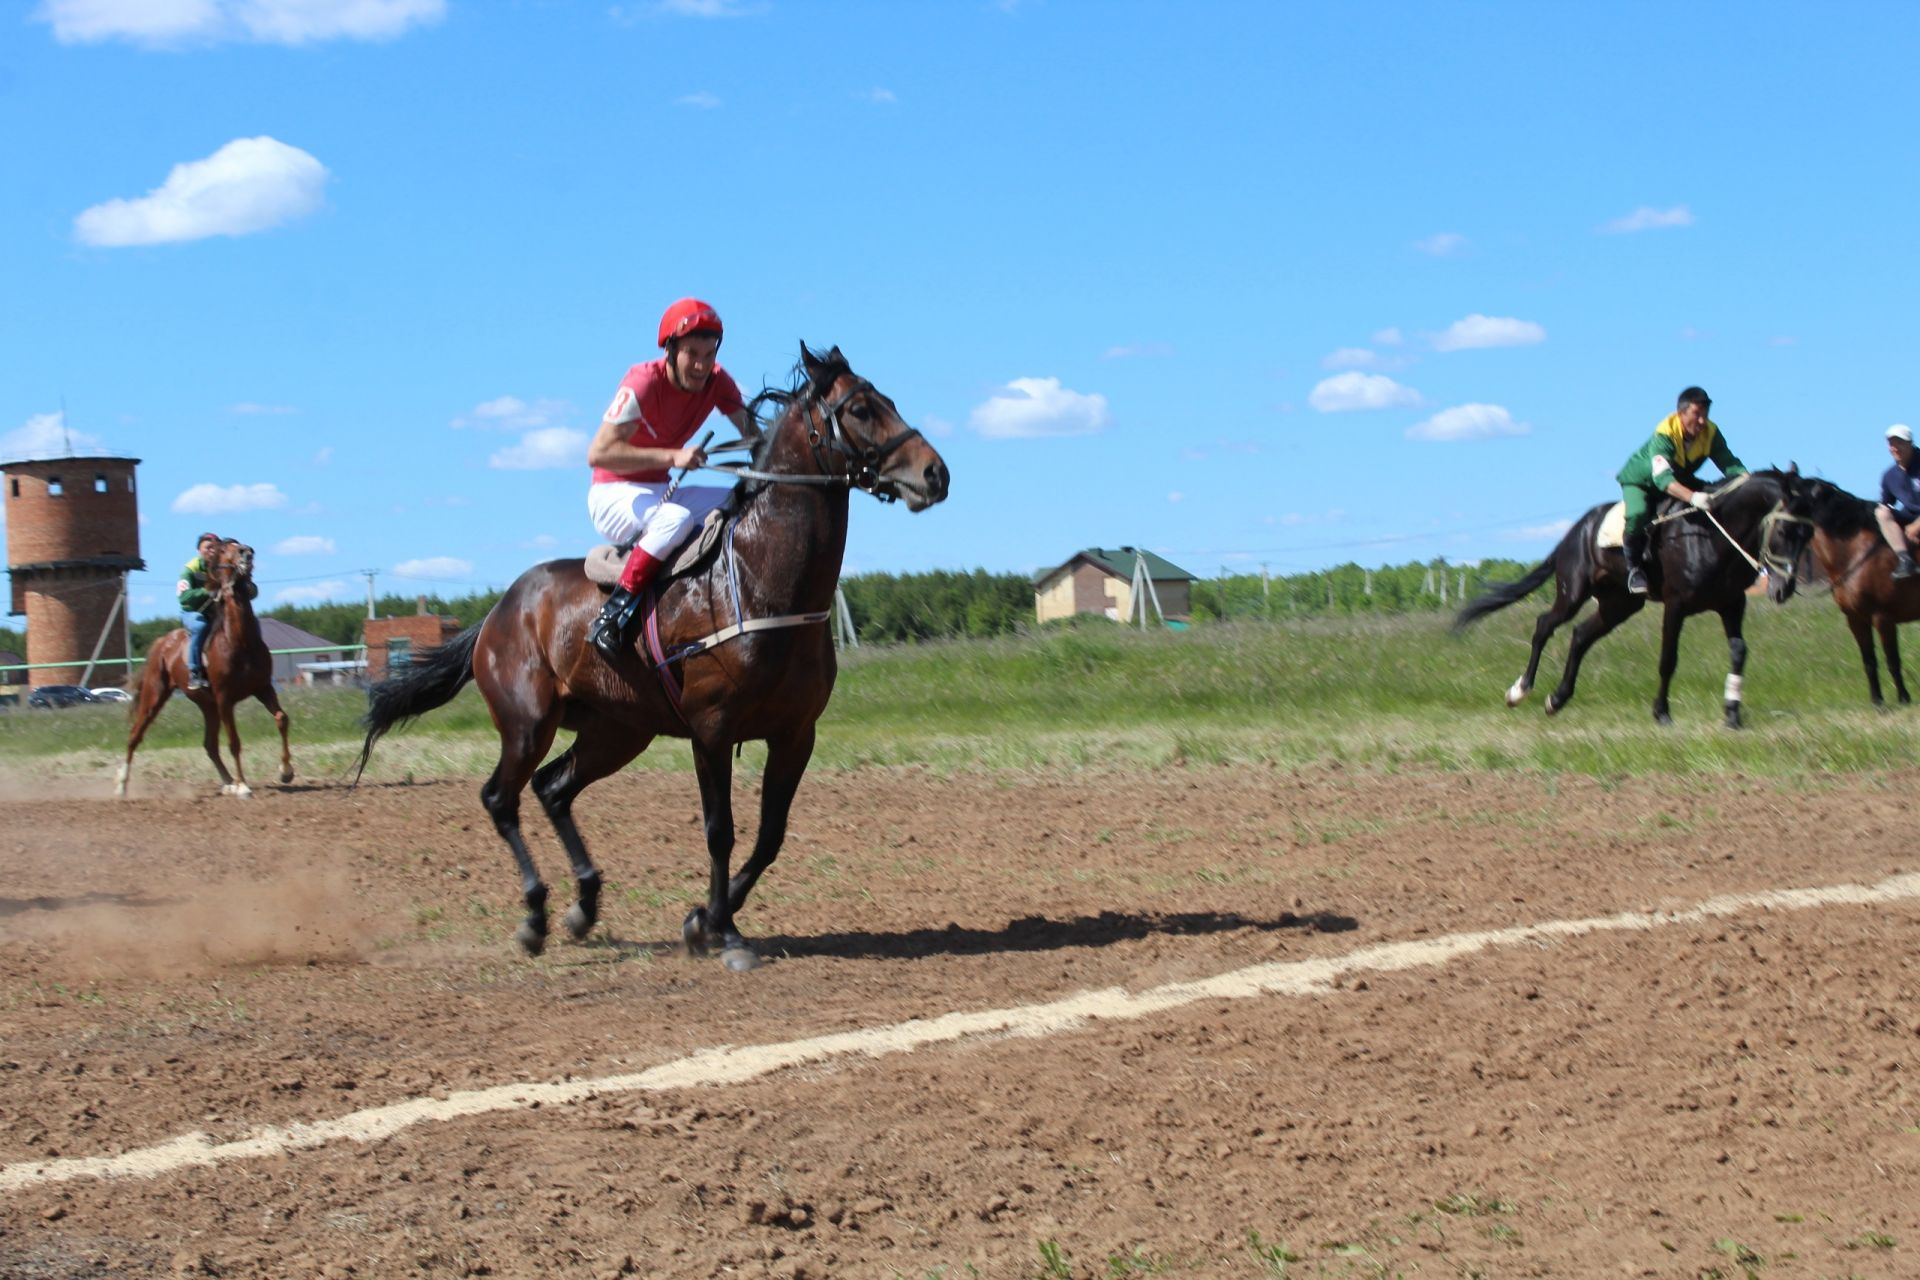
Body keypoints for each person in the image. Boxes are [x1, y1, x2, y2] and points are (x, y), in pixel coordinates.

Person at [585, 298, 758, 660]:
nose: (701, 365)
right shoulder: (643, 382)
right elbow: (597, 454)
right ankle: (613, 615)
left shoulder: (718, 381)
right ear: (670, 350)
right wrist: (673, 456)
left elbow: (753, 435)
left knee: (742, 500)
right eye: (692, 353)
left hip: (660, 490)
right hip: (612, 493)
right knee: (676, 519)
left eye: (709, 354)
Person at [1615, 386, 1748, 594]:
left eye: (1705, 415)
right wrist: (1693, 497)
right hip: (1643, 483)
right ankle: (1634, 570)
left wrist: (1747, 479)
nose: (1702, 421)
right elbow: (1663, 480)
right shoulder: (1665, 434)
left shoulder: (1711, 432)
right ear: (1681, 413)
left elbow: (1729, 463)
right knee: (1638, 513)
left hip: (1680, 479)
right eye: (1697, 415)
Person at [176, 532, 222, 690]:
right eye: (208, 547)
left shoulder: (223, 567)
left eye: (215, 548)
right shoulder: (190, 569)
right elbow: (183, 597)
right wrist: (206, 591)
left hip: (216, 612)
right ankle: (194, 673)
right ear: (199, 550)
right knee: (199, 627)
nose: (212, 551)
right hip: (193, 613)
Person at [1875, 424, 1920, 580]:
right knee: (1880, 512)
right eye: (1891, 444)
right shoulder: (1889, 476)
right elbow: (1885, 504)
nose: (1895, 448)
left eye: (1899, 442)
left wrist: (1916, 527)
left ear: (1910, 443)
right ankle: (1905, 560)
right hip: (1907, 518)